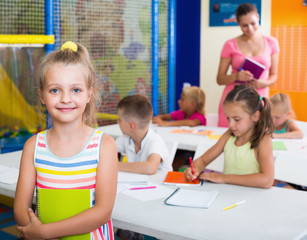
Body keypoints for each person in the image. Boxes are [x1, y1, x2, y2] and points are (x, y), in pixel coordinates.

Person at [14, 41, 118, 239]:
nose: (65, 99)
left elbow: (103, 212)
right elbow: (21, 209)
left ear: (90, 93)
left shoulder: (104, 145)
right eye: (55, 90)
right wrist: (36, 230)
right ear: (42, 95)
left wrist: (45, 232)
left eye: (75, 90)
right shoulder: (33, 146)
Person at [185, 85, 275, 189]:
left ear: (255, 116)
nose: (230, 125)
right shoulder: (229, 135)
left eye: (236, 119)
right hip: (228, 196)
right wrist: (194, 169)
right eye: (228, 118)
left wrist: (224, 178)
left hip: (252, 199)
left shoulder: (263, 140)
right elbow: (203, 160)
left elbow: (267, 180)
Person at [217, 3, 280, 127]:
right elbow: (220, 79)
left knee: (258, 137)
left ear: (258, 17)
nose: (250, 29)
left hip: (258, 100)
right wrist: (236, 76)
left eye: (253, 23)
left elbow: (274, 75)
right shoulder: (229, 45)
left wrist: (263, 83)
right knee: (229, 139)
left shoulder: (272, 43)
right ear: (238, 23)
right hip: (233, 100)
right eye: (244, 25)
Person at [116, 94, 172, 174]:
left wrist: (114, 165)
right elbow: (105, 150)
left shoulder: (155, 141)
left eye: (119, 120)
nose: (117, 122)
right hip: (138, 184)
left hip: (160, 185)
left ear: (131, 125)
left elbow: (150, 168)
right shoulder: (126, 138)